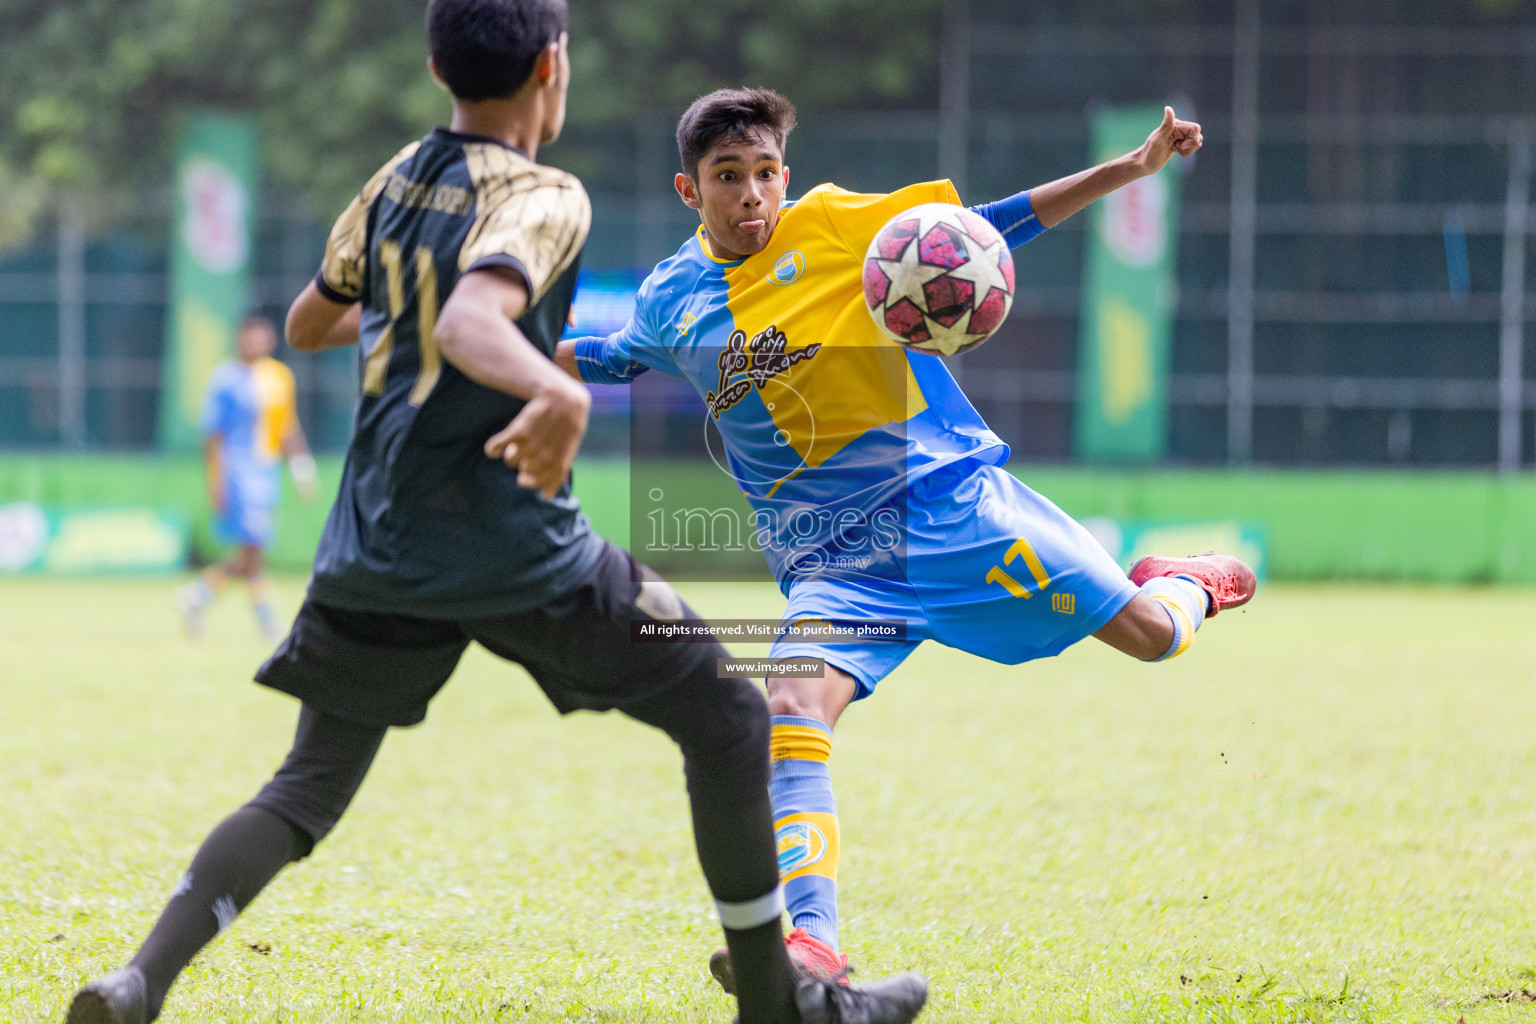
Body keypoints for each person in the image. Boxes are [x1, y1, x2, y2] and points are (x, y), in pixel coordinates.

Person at [65, 10, 928, 1024]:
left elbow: (310, 320)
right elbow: (475, 317)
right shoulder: (545, 194)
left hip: (378, 545)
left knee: (305, 787)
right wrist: (555, 394)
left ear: (438, 66)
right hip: (520, 548)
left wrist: (414, 310)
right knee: (732, 720)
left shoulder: (395, 178)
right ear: (551, 69)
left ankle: (138, 982)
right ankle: (782, 1007)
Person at [556, 87, 1257, 990]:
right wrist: (476, 349)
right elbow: (612, 356)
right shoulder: (670, 297)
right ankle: (810, 943)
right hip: (837, 564)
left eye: (765, 173)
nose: (752, 196)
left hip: (957, 511)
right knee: (790, 709)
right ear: (691, 191)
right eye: (728, 177)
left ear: (786, 176)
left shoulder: (838, 227)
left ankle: (1183, 584)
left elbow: (986, 228)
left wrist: (1128, 169)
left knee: (1153, 639)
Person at [176, 313, 317, 641]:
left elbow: (288, 427)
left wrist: (301, 468)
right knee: (254, 550)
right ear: (240, 338)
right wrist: (217, 483)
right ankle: (267, 621)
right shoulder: (225, 379)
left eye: (262, 335)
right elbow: (213, 438)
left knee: (250, 553)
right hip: (239, 472)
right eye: (250, 335)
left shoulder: (280, 377)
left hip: (266, 473)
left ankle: (197, 596)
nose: (256, 341)